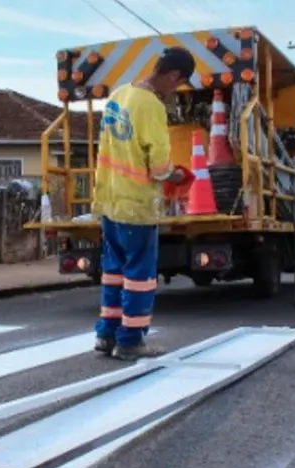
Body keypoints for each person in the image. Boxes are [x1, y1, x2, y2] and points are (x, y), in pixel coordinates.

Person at [91, 47, 195, 361]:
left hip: (109, 201)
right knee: (139, 277)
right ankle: (131, 341)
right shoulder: (151, 105)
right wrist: (180, 176)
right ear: (174, 75)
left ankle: (106, 336)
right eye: (178, 85)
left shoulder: (119, 95)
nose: (174, 91)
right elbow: (159, 166)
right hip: (136, 205)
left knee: (114, 272)